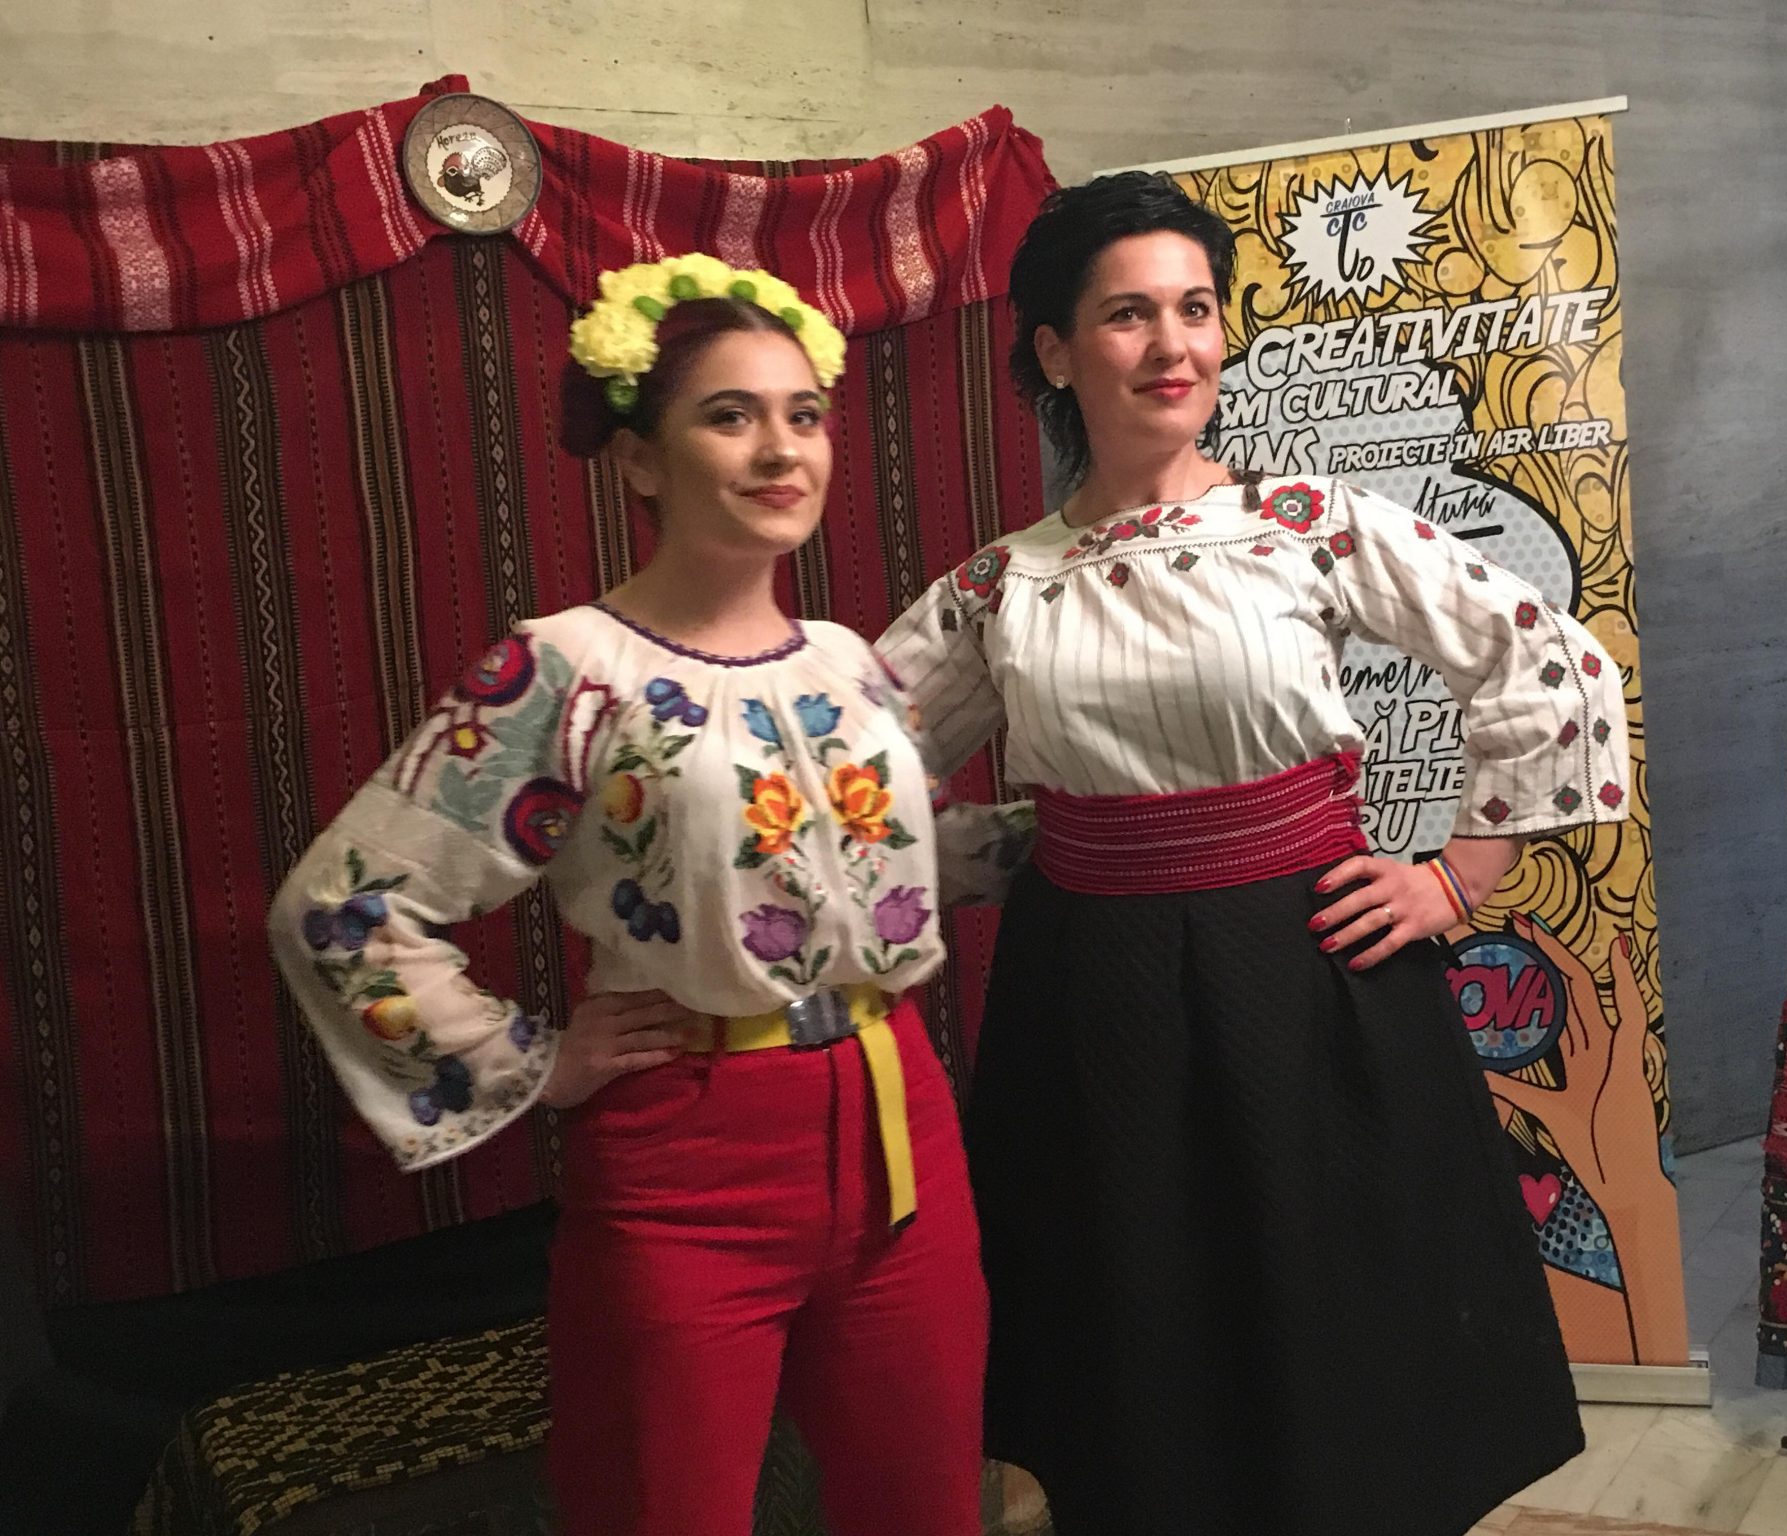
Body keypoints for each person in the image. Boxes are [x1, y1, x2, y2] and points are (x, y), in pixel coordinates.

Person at [872, 172, 1633, 1536]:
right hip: (1092, 992)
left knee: (1335, 1311)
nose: (1173, 345)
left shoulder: (1308, 527)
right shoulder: (1003, 586)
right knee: (1141, 1323)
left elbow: (1545, 658)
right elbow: (851, 771)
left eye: (1196, 309)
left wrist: (1455, 876)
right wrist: (1015, 848)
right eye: (1127, 314)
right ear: (1055, 351)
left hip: (1305, 970)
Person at [268, 255, 997, 1536]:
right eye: (730, 416)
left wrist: (1138, 829)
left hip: (902, 1133)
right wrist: (532, 1061)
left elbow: (921, 857)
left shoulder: (844, 661)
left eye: (803, 414)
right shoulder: (566, 672)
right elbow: (341, 905)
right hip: (688, 1165)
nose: (780, 449)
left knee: (925, 1506)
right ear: (640, 459)